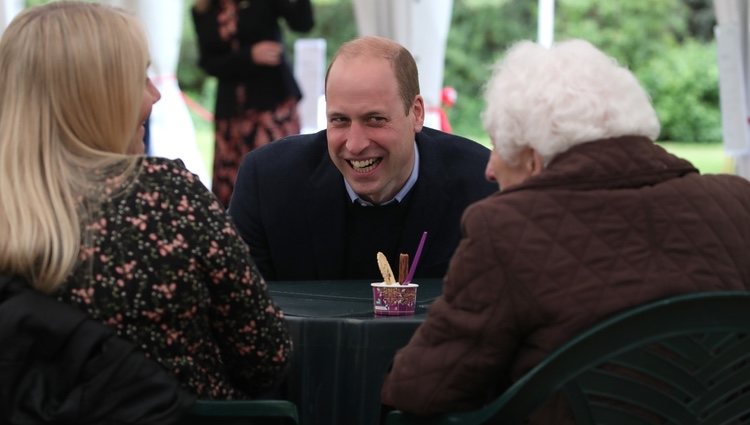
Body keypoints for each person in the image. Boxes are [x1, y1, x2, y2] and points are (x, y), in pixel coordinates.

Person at [380, 39, 750, 422]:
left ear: (534, 160)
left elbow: (421, 389)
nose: (489, 169)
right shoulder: (740, 202)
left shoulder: (506, 229)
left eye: (497, 147)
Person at [0, 2, 291, 401]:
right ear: (94, 97)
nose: (155, 95)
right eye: (139, 78)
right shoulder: (169, 198)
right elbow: (266, 357)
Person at [228, 36, 497, 281]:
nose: (355, 145)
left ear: (416, 113)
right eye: (340, 120)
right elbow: (237, 310)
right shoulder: (268, 184)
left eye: (375, 120)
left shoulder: (481, 189)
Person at [192, 0, 314, 207]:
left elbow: (303, 23)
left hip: (272, 104)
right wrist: (249, 56)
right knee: (231, 183)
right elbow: (208, 62)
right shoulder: (204, 8)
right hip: (231, 112)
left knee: (279, 175)